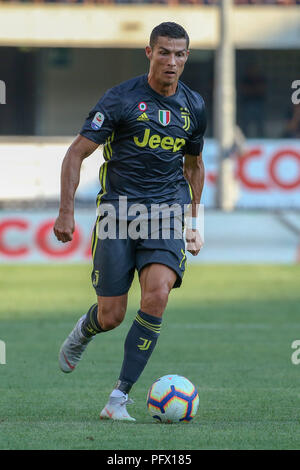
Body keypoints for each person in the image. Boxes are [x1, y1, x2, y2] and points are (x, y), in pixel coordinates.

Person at [53, 21, 206, 422]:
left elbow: (194, 165)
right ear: (149, 53)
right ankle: (85, 331)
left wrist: (195, 221)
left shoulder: (194, 106)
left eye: (180, 54)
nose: (172, 61)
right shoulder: (120, 100)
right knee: (113, 315)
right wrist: (66, 210)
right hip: (118, 216)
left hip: (165, 215)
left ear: (186, 57)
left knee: (157, 294)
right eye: (164, 52)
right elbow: (75, 153)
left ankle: (118, 399)